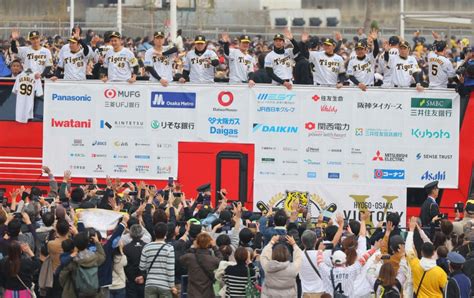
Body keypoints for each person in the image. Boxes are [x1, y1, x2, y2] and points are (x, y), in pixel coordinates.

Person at [406, 217, 447, 298]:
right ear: (433, 253)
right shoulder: (440, 272)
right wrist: (420, 230)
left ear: (421, 252)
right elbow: (445, 289)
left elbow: (408, 248)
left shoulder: (415, 264)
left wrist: (411, 230)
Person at [59, 231, 106, 298]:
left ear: (75, 245)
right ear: (87, 243)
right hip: (94, 293)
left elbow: (62, 276)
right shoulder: (95, 257)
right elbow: (102, 256)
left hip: (77, 293)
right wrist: (97, 242)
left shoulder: (73, 261)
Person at [139, 222, 177, 297]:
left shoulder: (146, 247)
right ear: (166, 233)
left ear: (154, 232)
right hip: (165, 285)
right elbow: (170, 269)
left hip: (150, 284)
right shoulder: (169, 248)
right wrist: (172, 285)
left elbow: (141, 267)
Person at [180, 232, 223, 298]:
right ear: (209, 243)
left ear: (197, 243)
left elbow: (181, 257)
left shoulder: (190, 257)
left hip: (192, 294)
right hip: (207, 294)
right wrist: (214, 247)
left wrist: (193, 247)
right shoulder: (212, 260)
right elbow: (221, 260)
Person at [299, 230, 325, 297]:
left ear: (302, 242)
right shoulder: (321, 255)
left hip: (305, 292)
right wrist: (320, 251)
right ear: (316, 241)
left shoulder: (298, 256)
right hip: (320, 291)